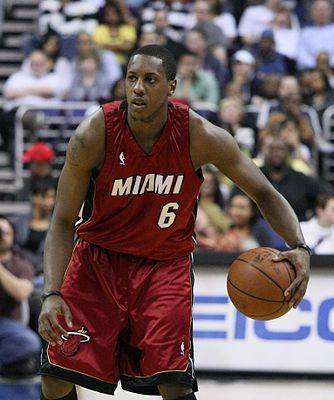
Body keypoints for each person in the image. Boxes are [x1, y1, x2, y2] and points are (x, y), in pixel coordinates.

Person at [38, 45, 310, 400]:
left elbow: (264, 192)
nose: (138, 88)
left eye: (150, 80)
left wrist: (299, 246)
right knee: (56, 378)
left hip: (164, 267)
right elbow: (61, 221)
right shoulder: (94, 134)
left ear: (171, 88)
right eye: (132, 79)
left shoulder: (200, 135)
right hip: (97, 261)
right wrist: (51, 292)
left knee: (174, 382)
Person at [0, 216, 41, 377]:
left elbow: (21, 292)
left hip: (10, 326)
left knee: (29, 343)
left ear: (13, 235)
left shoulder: (21, 263)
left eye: (5, 232)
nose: (1, 236)